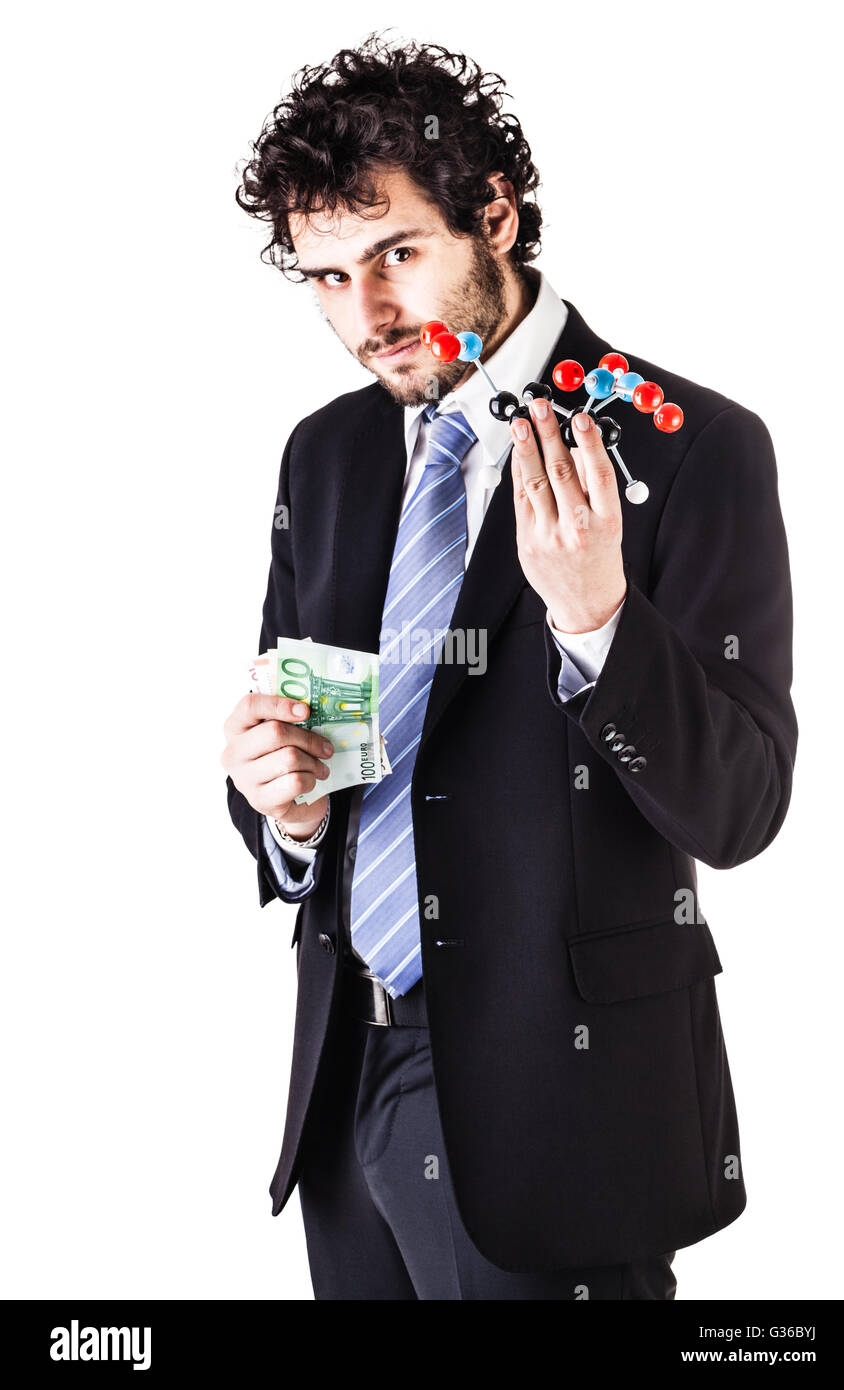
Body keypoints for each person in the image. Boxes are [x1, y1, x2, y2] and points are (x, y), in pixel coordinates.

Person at [221, 35, 797, 1300]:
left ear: (494, 215)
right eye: (324, 279)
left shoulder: (688, 445)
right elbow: (286, 755)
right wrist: (285, 808)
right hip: (347, 1081)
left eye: (395, 257)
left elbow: (739, 805)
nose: (365, 317)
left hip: (559, 1101)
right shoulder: (324, 457)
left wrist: (599, 624)